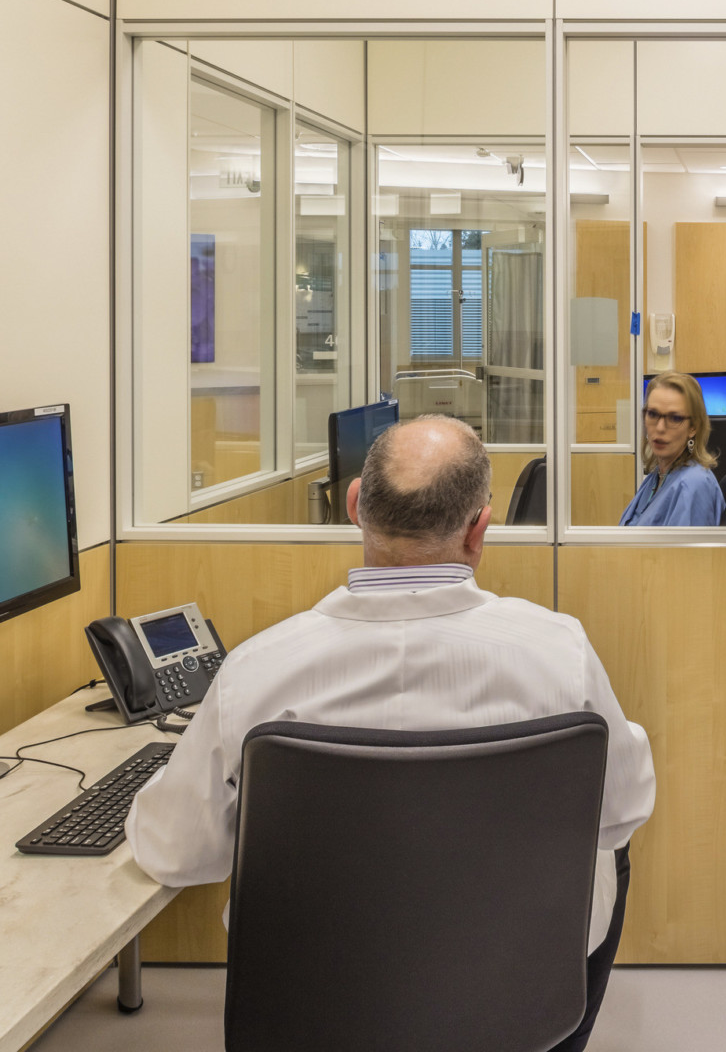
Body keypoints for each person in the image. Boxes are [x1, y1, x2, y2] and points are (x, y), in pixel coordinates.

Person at [126, 415, 654, 1052]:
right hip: (517, 999)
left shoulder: (259, 669)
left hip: (313, 1007)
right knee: (610, 848)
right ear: (480, 527)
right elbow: (623, 812)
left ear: (354, 507)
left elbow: (175, 854)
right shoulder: (558, 650)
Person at [620, 371, 725, 526]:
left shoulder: (693, 486)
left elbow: (682, 551)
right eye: (653, 414)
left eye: (675, 418)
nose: (660, 428)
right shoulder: (658, 475)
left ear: (693, 427)